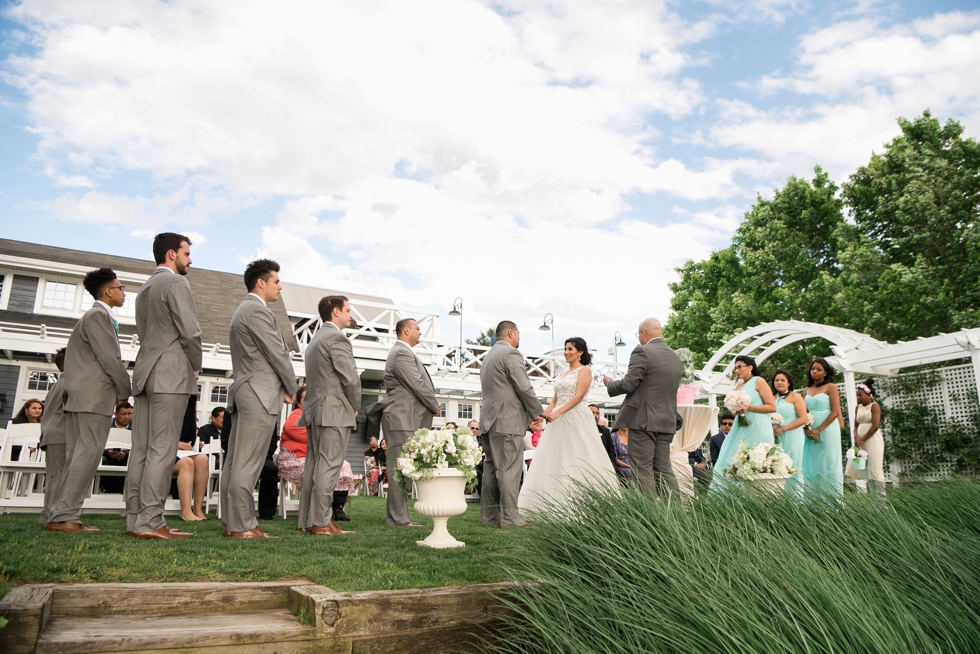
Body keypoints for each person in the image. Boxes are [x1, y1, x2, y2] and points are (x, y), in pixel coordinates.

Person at [127, 233, 201, 540]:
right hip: (170, 374)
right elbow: (190, 331)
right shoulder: (175, 283)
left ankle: (135, 519)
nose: (190, 259)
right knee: (163, 448)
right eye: (186, 253)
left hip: (146, 372)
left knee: (141, 450)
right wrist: (194, 366)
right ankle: (152, 521)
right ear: (172, 254)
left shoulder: (145, 287)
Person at [47, 267, 132, 533]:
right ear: (108, 291)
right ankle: (65, 517)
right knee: (86, 454)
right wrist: (124, 390)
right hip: (92, 398)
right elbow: (109, 358)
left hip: (85, 398)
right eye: (121, 288)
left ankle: (58, 514)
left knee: (78, 455)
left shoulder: (97, 316)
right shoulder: (98, 316)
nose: (124, 292)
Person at [221, 259, 297, 539]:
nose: (280, 286)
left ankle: (232, 522)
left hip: (247, 389)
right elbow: (277, 352)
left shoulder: (243, 309)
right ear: (261, 282)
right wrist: (291, 385)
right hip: (259, 392)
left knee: (236, 460)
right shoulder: (256, 310)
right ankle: (243, 525)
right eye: (276, 281)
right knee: (248, 462)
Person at [519, 337, 618, 515]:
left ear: (580, 352)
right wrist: (543, 416)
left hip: (577, 418)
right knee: (555, 458)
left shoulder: (585, 371)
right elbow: (555, 401)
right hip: (558, 422)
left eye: (570, 349)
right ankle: (550, 505)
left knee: (578, 455)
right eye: (565, 349)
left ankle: (585, 505)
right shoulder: (561, 375)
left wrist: (558, 412)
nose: (566, 352)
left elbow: (578, 396)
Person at [297, 295, 361, 536]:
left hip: (315, 411)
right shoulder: (336, 338)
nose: (350, 315)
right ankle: (322, 523)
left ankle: (308, 520)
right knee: (329, 467)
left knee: (314, 467)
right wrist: (354, 405)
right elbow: (351, 379)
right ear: (335, 312)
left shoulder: (315, 341)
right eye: (347, 310)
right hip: (334, 411)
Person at [603, 318, 684, 499]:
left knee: (642, 469)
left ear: (643, 333)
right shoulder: (675, 357)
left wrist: (609, 383)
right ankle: (677, 514)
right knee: (664, 469)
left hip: (644, 421)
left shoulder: (642, 351)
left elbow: (628, 384)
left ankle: (651, 517)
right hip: (668, 421)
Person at [371, 317, 440, 526]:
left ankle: (401, 517)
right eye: (418, 329)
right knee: (398, 469)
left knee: (404, 468)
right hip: (401, 418)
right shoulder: (400, 352)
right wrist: (433, 403)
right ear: (406, 330)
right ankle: (398, 518)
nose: (420, 332)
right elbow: (416, 383)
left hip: (407, 417)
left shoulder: (404, 352)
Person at [479, 321, 542, 528]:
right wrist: (537, 412)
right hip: (507, 421)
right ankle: (511, 518)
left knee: (491, 469)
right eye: (519, 334)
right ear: (511, 333)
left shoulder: (488, 357)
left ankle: (489, 518)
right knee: (509, 470)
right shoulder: (511, 354)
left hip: (488, 420)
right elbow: (524, 387)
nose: (519, 338)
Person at [711, 355, 777, 480]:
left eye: (740, 367)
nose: (737, 370)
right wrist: (736, 409)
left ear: (750, 367)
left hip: (758, 425)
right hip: (740, 425)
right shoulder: (738, 387)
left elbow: (772, 407)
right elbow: (735, 413)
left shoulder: (759, 381)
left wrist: (749, 408)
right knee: (730, 453)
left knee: (755, 458)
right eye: (735, 368)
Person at [803, 358, 844, 499]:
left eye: (819, 369)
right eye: (813, 369)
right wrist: (806, 429)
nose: (814, 371)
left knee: (828, 465)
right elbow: (804, 412)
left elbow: (836, 412)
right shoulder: (806, 390)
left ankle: (832, 501)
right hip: (810, 430)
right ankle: (812, 500)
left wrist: (819, 429)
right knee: (810, 465)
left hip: (827, 429)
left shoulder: (831, 387)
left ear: (826, 373)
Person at [38, 348, 67, 525]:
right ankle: (52, 515)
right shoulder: (68, 384)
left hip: (51, 434)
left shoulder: (56, 386)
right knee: (59, 477)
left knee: (54, 477)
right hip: (60, 435)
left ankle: (48, 514)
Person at [771, 369, 808, 495]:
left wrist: (783, 429)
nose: (779, 382)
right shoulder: (771, 398)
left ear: (788, 383)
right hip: (775, 436)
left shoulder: (795, 396)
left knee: (793, 467)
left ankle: (797, 499)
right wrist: (773, 426)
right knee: (777, 466)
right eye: (776, 380)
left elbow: (803, 418)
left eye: (782, 380)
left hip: (793, 435)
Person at [173, 396, 208, 521]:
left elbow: (191, 440)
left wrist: (183, 445)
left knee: (203, 459)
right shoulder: (165, 408)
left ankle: (198, 509)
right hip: (162, 452)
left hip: (181, 452)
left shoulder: (188, 411)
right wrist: (177, 444)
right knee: (187, 463)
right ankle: (186, 511)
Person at [854, 379, 886, 496]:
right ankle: (873, 498)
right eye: (857, 395)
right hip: (860, 441)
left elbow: (875, 425)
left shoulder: (875, 406)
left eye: (860, 395)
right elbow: (855, 425)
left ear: (869, 395)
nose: (858, 397)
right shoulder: (858, 408)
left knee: (875, 469)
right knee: (864, 470)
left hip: (872, 439)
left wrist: (863, 439)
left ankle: (881, 500)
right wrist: (857, 438)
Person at [276, 387, 307, 496]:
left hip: (311, 459)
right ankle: (315, 508)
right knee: (318, 471)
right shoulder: (296, 416)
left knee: (342, 467)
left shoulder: (319, 417)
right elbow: (308, 436)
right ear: (298, 403)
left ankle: (336, 507)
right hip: (293, 459)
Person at [100, 401, 134, 493]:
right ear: (116, 414)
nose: (127, 417)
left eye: (130, 413)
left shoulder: (137, 426)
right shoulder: (106, 425)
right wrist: (107, 452)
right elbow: (98, 442)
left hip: (128, 456)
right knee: (102, 460)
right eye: (123, 414)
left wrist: (126, 454)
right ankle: (109, 490)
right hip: (108, 455)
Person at [588, 404, 619, 475]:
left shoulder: (605, 431)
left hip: (605, 465)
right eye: (592, 413)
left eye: (597, 413)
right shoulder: (581, 431)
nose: (595, 416)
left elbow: (611, 452)